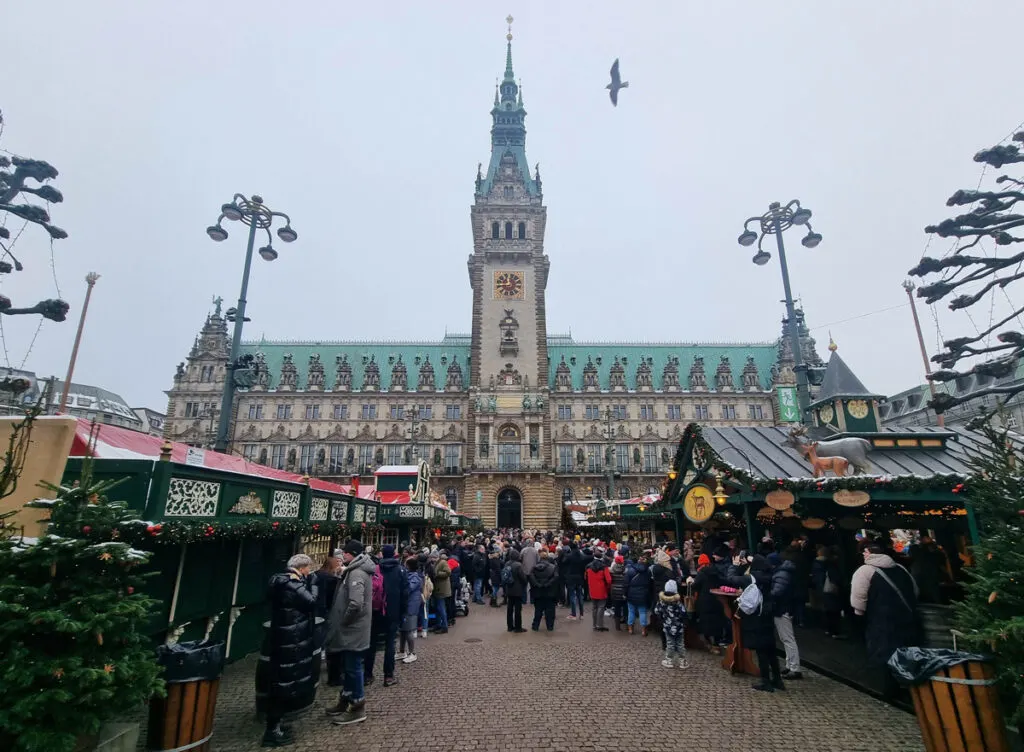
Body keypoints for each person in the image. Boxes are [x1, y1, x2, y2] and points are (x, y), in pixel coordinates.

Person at [850, 540, 919, 699]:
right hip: (906, 616)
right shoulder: (900, 568)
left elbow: (858, 596)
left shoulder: (865, 570)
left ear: (868, 552)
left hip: (879, 617)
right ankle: (909, 685)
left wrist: (859, 613)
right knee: (906, 649)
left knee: (883, 649)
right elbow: (914, 590)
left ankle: (889, 688)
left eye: (864, 552)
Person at [262, 554, 318, 747]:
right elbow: (312, 602)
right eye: (308, 569)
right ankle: (272, 730)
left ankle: (275, 725)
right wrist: (314, 586)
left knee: (280, 681)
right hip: (290, 638)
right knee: (282, 683)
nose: (309, 572)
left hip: (284, 637)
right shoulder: (293, 584)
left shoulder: (278, 582)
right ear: (302, 568)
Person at [325, 540, 375, 726]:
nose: (342, 555)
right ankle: (345, 699)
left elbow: (356, 603)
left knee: (353, 668)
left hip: (353, 630)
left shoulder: (357, 573)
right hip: (352, 629)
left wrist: (344, 621)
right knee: (349, 667)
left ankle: (357, 705)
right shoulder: (353, 570)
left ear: (351, 554)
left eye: (345, 553)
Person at [727, 554, 782, 692]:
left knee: (761, 650)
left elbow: (731, 579)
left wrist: (734, 566)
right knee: (771, 650)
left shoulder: (751, 578)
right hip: (767, 615)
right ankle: (777, 679)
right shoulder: (769, 577)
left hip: (755, 616)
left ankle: (766, 682)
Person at [363, 545, 408, 688]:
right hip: (392, 611)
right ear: (394, 554)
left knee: (371, 643)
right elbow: (405, 594)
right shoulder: (400, 570)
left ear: (382, 554)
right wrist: (403, 612)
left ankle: (367, 675)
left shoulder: (375, 569)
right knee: (390, 644)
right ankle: (388, 676)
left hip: (375, 611)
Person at [770, 549, 802, 680]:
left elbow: (777, 592)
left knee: (788, 639)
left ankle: (794, 668)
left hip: (783, 609)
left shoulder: (781, 574)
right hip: (784, 608)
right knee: (785, 638)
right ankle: (790, 665)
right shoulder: (783, 573)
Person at [313, 556, 342, 687]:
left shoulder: (315, 575)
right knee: (327, 637)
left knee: (317, 636)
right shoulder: (332, 579)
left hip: (315, 610)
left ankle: (316, 660)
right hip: (327, 611)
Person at [811, 545, 845, 639]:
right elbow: (835, 578)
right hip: (831, 590)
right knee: (834, 611)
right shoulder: (832, 565)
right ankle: (834, 631)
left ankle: (828, 629)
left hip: (823, 589)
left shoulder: (817, 563)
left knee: (827, 610)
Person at [653, 579, 688, 669]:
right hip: (679, 627)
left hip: (668, 626)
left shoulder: (662, 602)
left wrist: (662, 618)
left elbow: (656, 611)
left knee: (670, 643)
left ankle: (669, 660)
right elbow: (684, 613)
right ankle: (682, 661)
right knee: (680, 644)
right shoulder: (678, 602)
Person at [397, 556, 422, 664]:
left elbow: (408, 589)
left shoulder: (415, 577)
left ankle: (412, 653)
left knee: (409, 631)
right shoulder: (408, 575)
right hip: (405, 606)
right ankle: (402, 651)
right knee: (403, 630)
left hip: (410, 607)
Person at [529, 549, 559, 631]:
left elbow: (531, 577)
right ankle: (550, 626)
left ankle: (535, 626)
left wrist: (537, 584)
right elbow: (556, 577)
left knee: (538, 610)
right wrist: (548, 584)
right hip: (549, 592)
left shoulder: (534, 567)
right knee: (550, 611)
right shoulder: (553, 567)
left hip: (538, 592)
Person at [585, 548, 612, 632]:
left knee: (594, 607)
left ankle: (594, 624)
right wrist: (608, 587)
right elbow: (609, 580)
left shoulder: (588, 566)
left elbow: (585, 577)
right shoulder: (604, 567)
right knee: (601, 607)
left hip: (592, 589)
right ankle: (600, 624)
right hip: (602, 589)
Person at [625, 554, 652, 636]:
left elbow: (626, 583)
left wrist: (625, 593)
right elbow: (650, 583)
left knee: (631, 611)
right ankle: (643, 630)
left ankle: (630, 629)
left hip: (631, 593)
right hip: (643, 593)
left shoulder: (630, 570)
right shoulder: (648, 571)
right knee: (643, 612)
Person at [503, 548, 528, 632]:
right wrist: (525, 583)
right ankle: (518, 627)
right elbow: (523, 578)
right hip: (517, 589)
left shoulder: (507, 563)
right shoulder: (518, 565)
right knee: (517, 609)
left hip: (509, 588)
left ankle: (510, 626)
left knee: (509, 608)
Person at [563, 541, 586, 620]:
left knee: (572, 596)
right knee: (580, 596)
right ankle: (582, 614)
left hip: (571, 577)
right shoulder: (581, 556)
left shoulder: (569, 556)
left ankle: (573, 614)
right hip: (579, 577)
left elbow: (563, 562)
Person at [430, 553, 452, 633]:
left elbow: (448, 572)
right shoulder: (436, 563)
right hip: (438, 588)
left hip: (442, 589)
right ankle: (438, 624)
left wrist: (437, 574)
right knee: (437, 608)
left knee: (441, 608)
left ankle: (444, 626)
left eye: (432, 558)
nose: (431, 559)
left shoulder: (442, 562)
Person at [608, 554, 628, 630]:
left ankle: (617, 626)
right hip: (623, 591)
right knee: (625, 608)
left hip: (615, 591)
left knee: (617, 608)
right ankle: (627, 625)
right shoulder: (626, 570)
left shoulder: (611, 570)